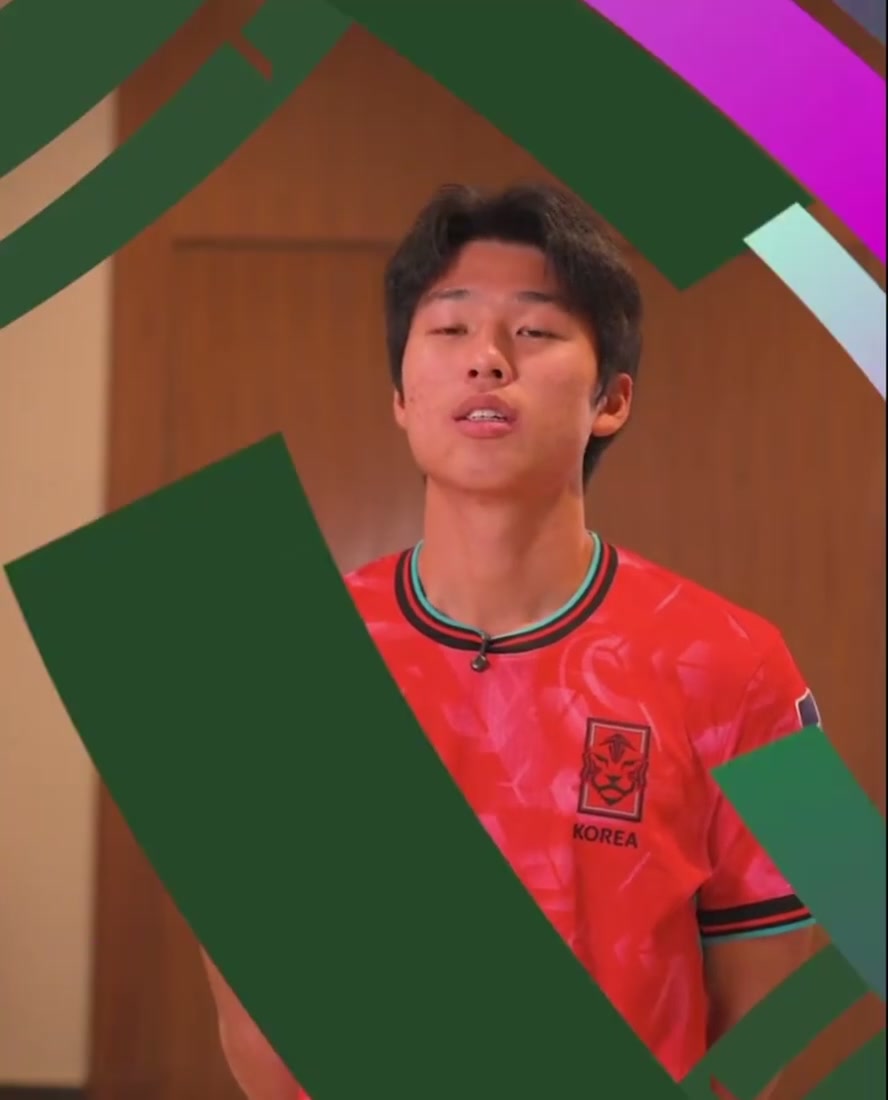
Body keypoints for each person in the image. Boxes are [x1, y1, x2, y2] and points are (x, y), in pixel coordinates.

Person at [202, 182, 817, 1099]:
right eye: (449, 329)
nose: (486, 359)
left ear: (612, 399)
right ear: (401, 395)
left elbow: (780, 1014)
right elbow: (258, 1018)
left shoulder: (750, 661)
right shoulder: (276, 665)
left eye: (534, 330)